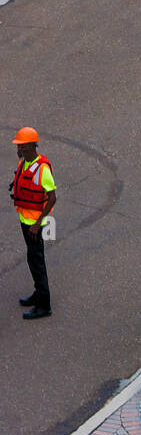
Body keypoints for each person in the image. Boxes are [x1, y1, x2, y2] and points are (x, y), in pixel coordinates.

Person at [9, 126, 56, 319]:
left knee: (37, 262)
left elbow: (52, 198)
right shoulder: (23, 164)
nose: (18, 149)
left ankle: (44, 305)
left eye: (21, 146)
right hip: (24, 219)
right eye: (18, 146)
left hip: (34, 224)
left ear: (31, 145)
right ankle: (38, 294)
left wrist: (38, 224)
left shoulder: (42, 169)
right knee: (32, 258)